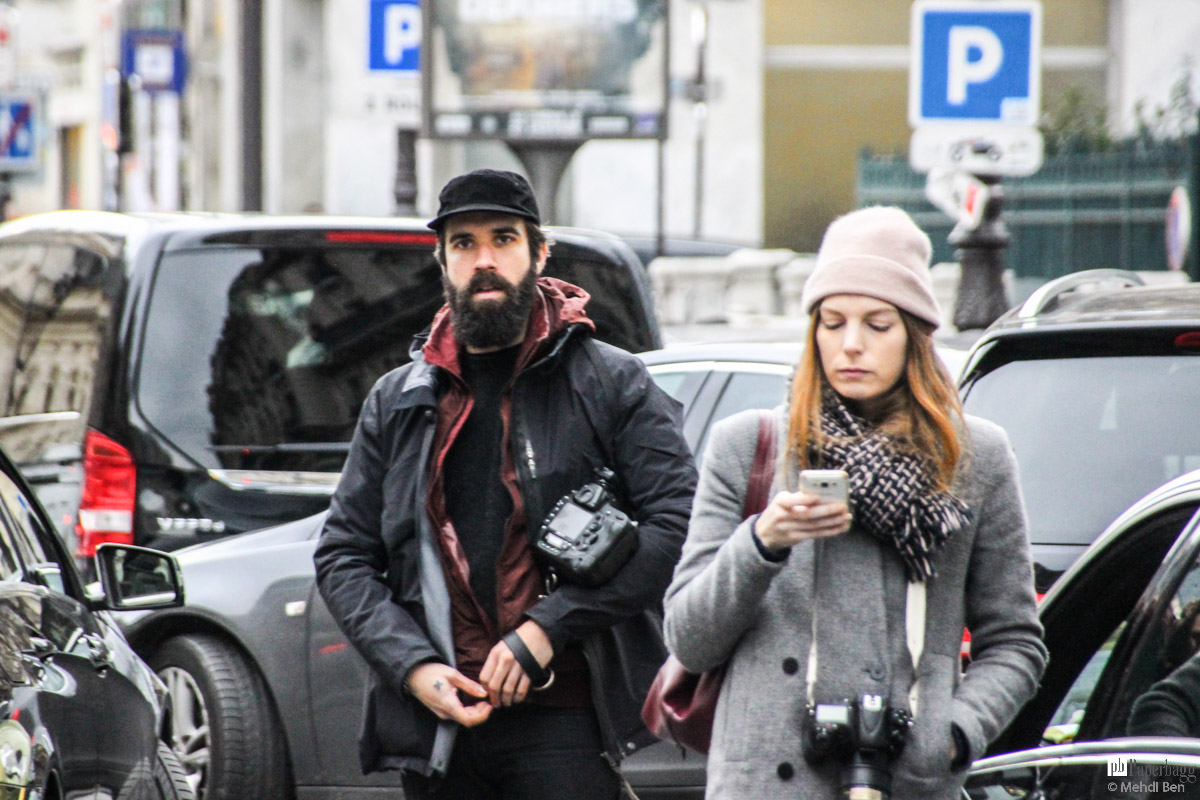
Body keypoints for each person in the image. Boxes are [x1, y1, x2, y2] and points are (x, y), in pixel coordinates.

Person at [313, 168, 696, 800]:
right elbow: (343, 554)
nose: (484, 260)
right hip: (441, 723)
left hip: (567, 717)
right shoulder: (398, 399)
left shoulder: (609, 381)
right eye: (463, 244)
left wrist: (548, 627)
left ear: (539, 252)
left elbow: (676, 525)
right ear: (442, 261)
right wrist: (412, 667)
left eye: (503, 239)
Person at [662, 206, 1048, 799]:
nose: (851, 345)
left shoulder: (976, 457)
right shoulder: (751, 445)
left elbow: (1016, 641)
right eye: (833, 322)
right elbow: (688, 639)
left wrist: (951, 735)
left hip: (906, 781)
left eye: (877, 323)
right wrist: (763, 541)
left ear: (916, 334)